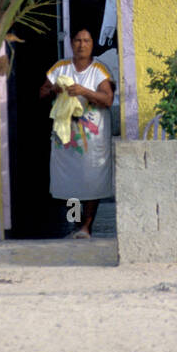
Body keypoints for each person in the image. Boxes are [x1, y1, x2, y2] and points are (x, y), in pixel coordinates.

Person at [39, 28, 115, 238]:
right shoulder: (60, 68)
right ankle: (76, 223)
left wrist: (84, 92)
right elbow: (42, 92)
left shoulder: (99, 70)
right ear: (71, 43)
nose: (82, 44)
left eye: (86, 41)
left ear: (92, 44)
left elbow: (107, 99)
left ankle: (86, 227)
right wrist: (55, 90)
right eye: (78, 40)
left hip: (93, 141)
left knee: (92, 181)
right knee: (68, 183)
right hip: (66, 140)